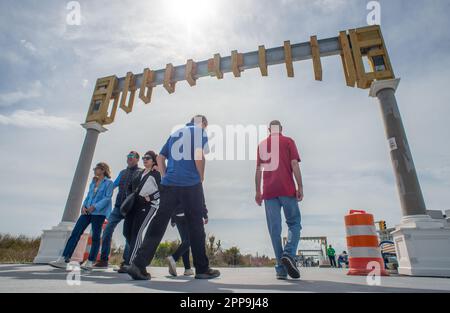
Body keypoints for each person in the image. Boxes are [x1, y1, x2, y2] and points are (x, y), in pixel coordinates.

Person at [127, 115, 220, 280]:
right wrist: (200, 176)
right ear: (203, 123)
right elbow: (200, 155)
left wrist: (164, 177)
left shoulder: (176, 133)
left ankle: (138, 265)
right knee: (196, 225)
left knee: (159, 223)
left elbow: (160, 158)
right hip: (190, 184)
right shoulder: (199, 131)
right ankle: (202, 269)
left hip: (170, 184)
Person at [255, 120, 303, 280]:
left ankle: (281, 270)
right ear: (281, 129)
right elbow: (294, 164)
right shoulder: (288, 141)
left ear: (269, 130)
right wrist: (300, 186)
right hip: (287, 189)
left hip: (268, 192)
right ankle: (289, 254)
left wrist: (257, 191)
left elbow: (258, 170)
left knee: (274, 230)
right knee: (294, 223)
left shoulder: (262, 145)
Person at [50, 163, 114, 270]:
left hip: (99, 213)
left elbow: (107, 198)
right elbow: (88, 196)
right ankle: (64, 259)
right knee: (75, 233)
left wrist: (95, 207)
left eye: (96, 168)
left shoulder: (109, 183)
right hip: (86, 212)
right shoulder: (93, 182)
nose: (94, 170)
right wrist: (83, 206)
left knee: (95, 237)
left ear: (103, 170)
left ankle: (90, 262)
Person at [94, 151, 142, 271]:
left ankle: (127, 262)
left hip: (132, 208)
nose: (129, 159)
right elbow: (113, 186)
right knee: (107, 229)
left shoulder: (141, 172)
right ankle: (104, 259)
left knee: (128, 234)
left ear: (137, 159)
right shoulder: (122, 173)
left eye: (131, 157)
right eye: (128, 157)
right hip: (118, 207)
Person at [123, 151, 161, 268]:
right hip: (134, 205)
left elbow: (163, 190)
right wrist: (130, 197)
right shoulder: (139, 172)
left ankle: (132, 263)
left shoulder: (156, 174)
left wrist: (150, 197)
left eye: (148, 158)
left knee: (137, 232)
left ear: (153, 161)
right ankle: (140, 255)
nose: (144, 160)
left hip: (148, 206)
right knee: (127, 232)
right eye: (144, 158)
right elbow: (129, 187)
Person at [166, 197, 208, 277]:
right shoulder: (195, 183)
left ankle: (187, 269)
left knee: (185, 241)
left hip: (176, 215)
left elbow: (172, 199)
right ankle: (174, 258)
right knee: (190, 240)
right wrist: (204, 214)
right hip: (188, 212)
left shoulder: (176, 183)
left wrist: (173, 218)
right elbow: (200, 199)